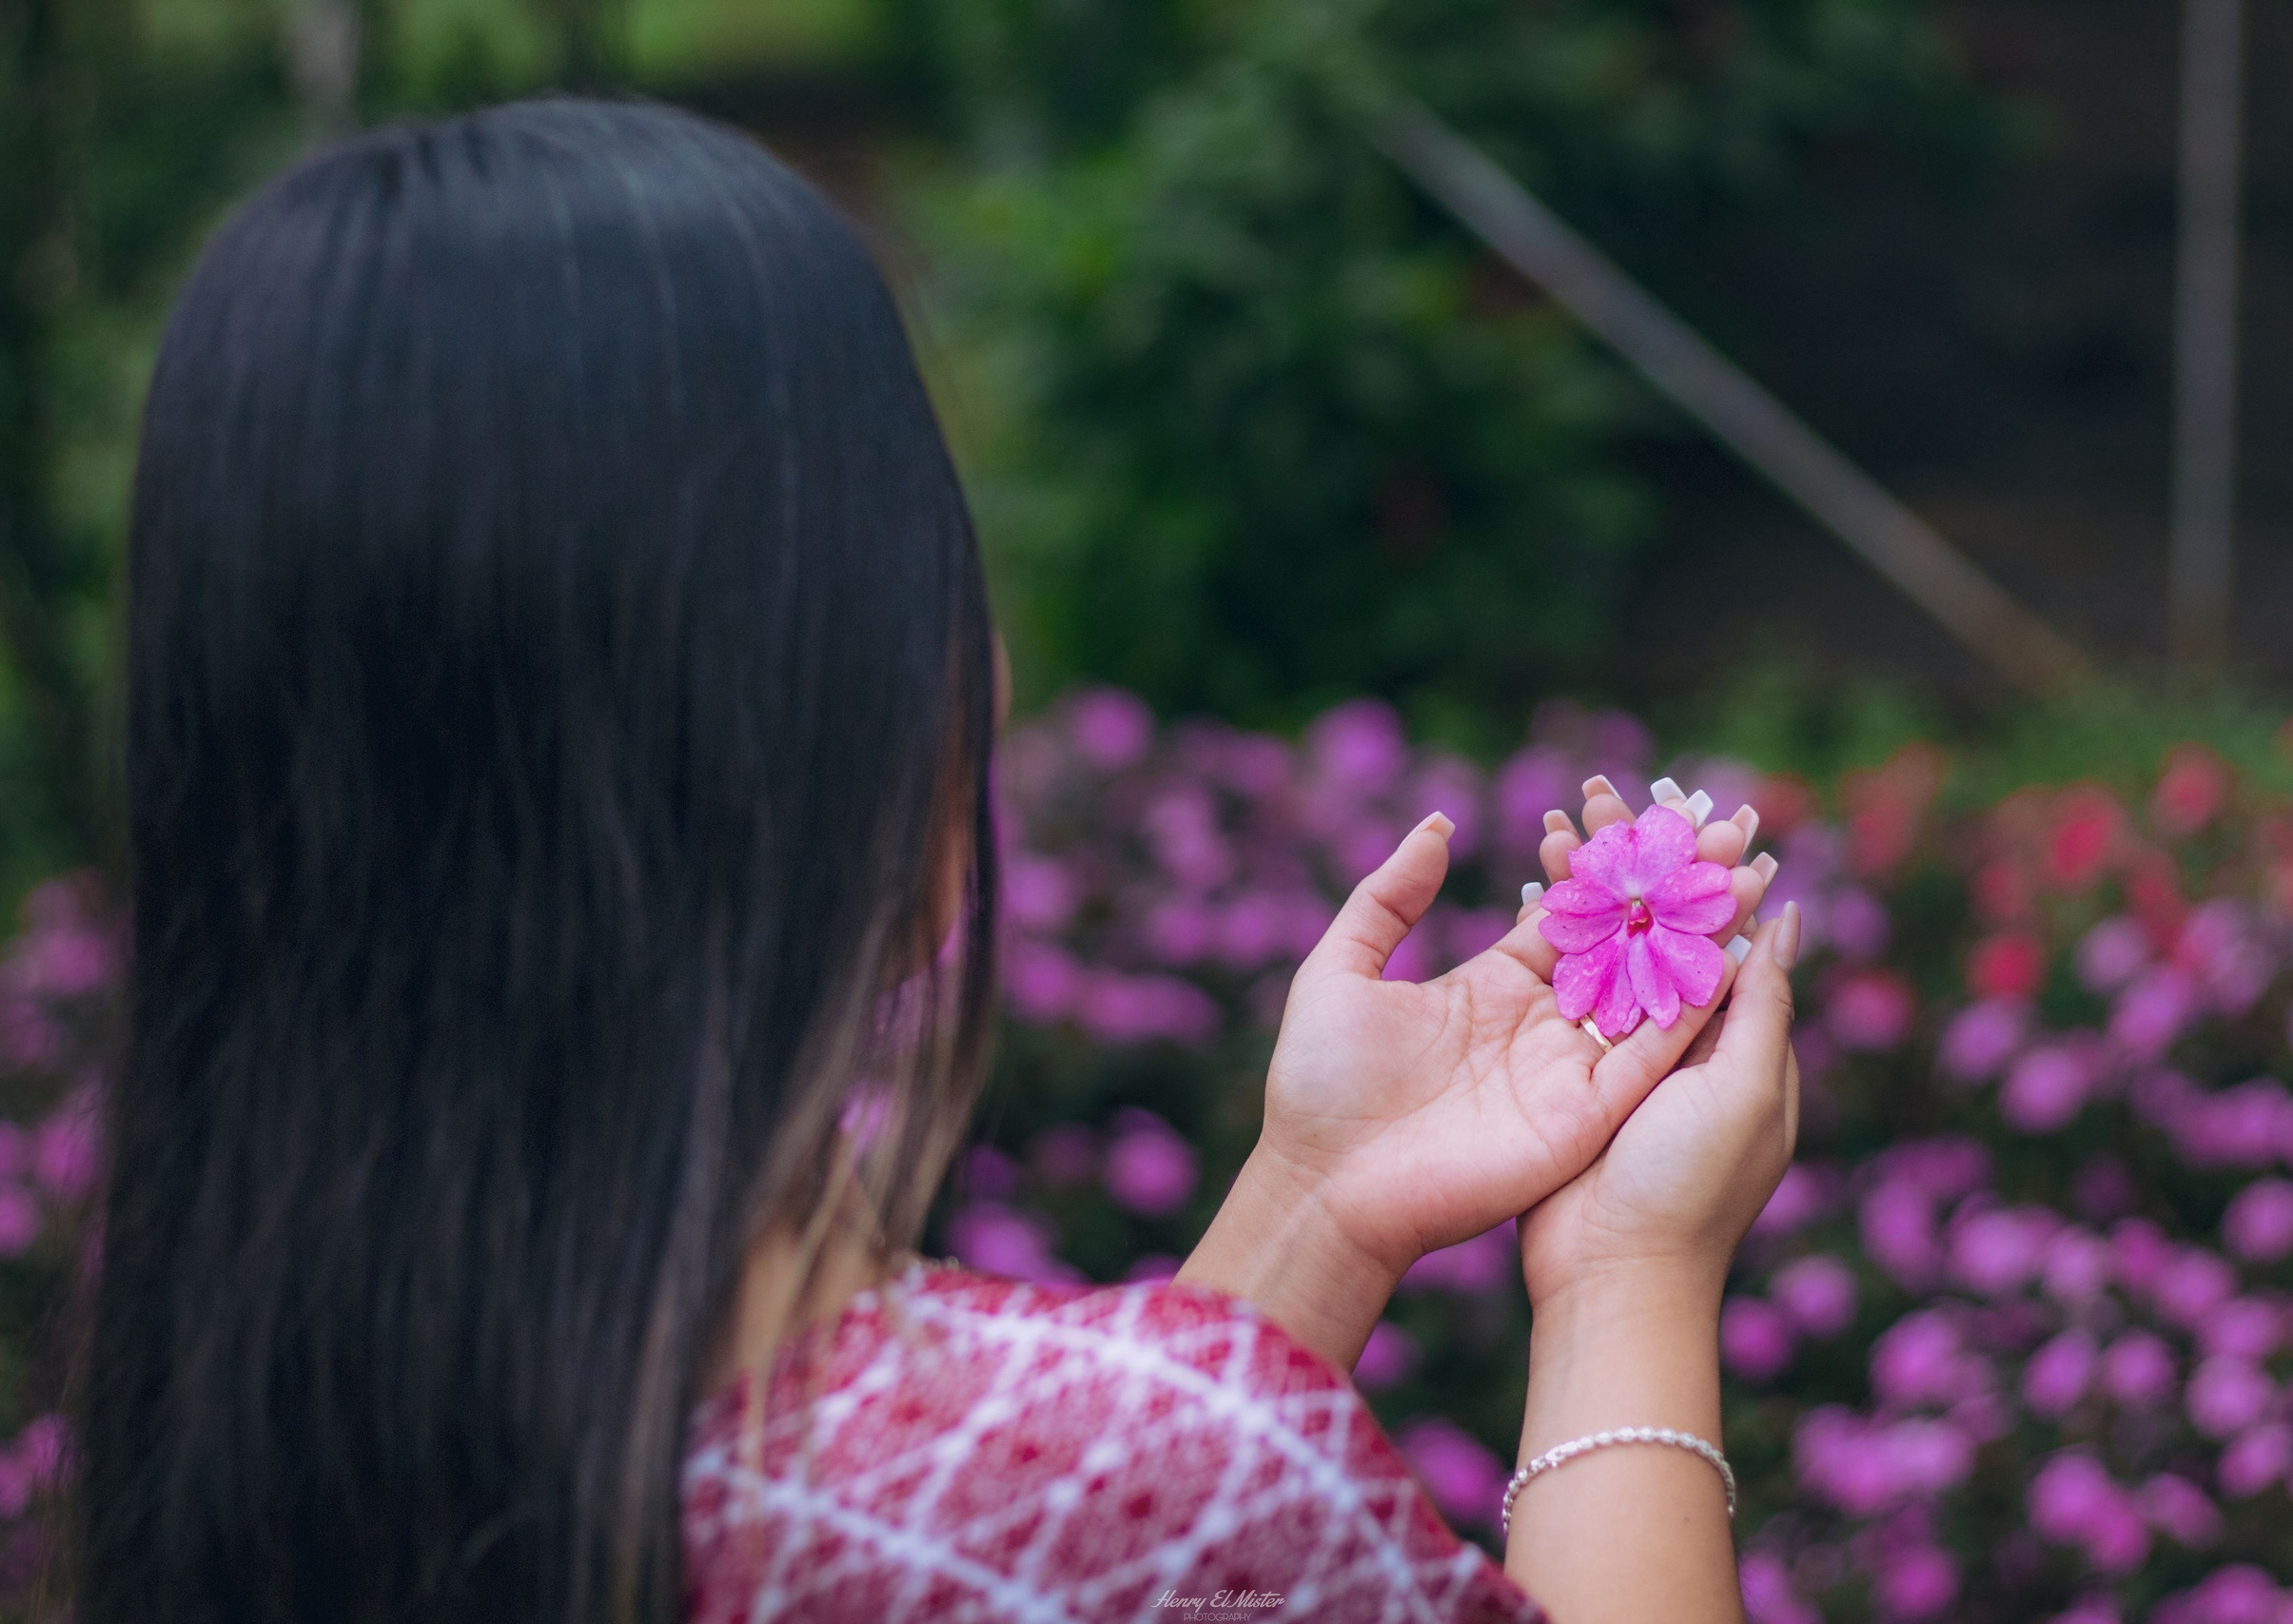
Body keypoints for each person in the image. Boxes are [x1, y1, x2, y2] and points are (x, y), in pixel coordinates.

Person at [78, 98, 1801, 1624]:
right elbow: (1105, 1528)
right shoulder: (1063, 1482)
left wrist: (1319, 1204)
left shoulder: (278, 1417)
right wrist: (1627, 1279)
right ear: (820, 697)